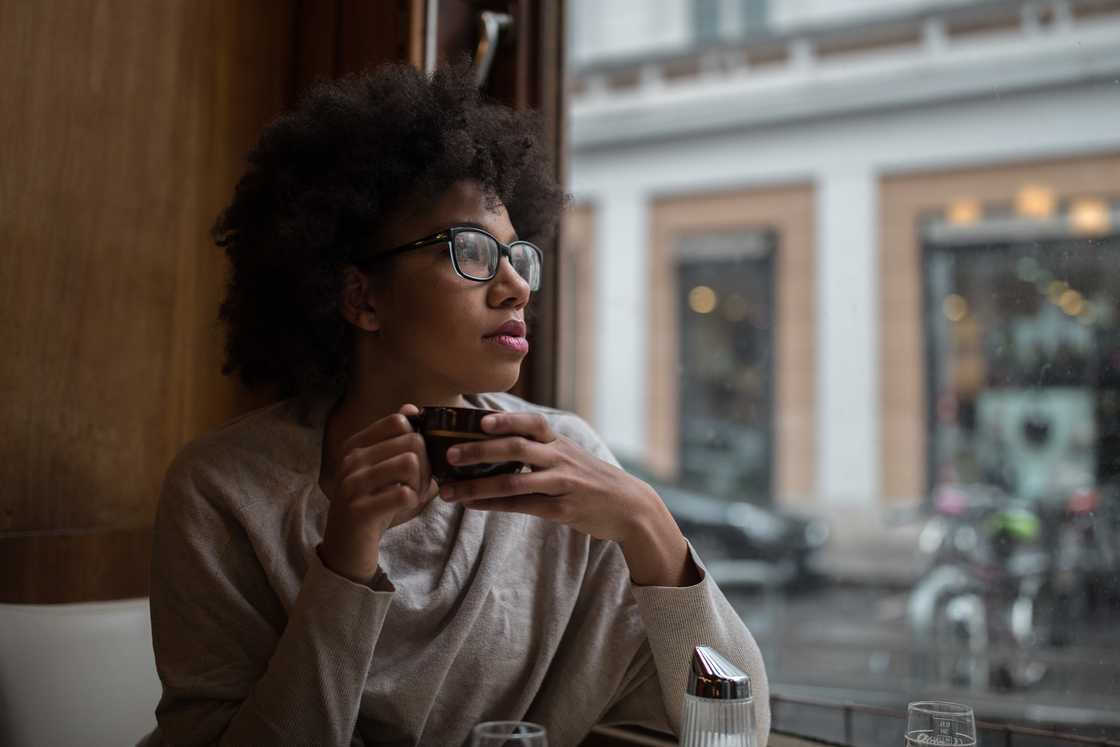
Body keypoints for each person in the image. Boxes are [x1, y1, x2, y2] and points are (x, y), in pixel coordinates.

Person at [144, 63, 770, 747]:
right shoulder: (227, 492)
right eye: (470, 252)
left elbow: (739, 724)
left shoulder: (565, 464)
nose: (514, 288)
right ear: (362, 297)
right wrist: (345, 563)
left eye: (518, 257)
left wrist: (649, 524)